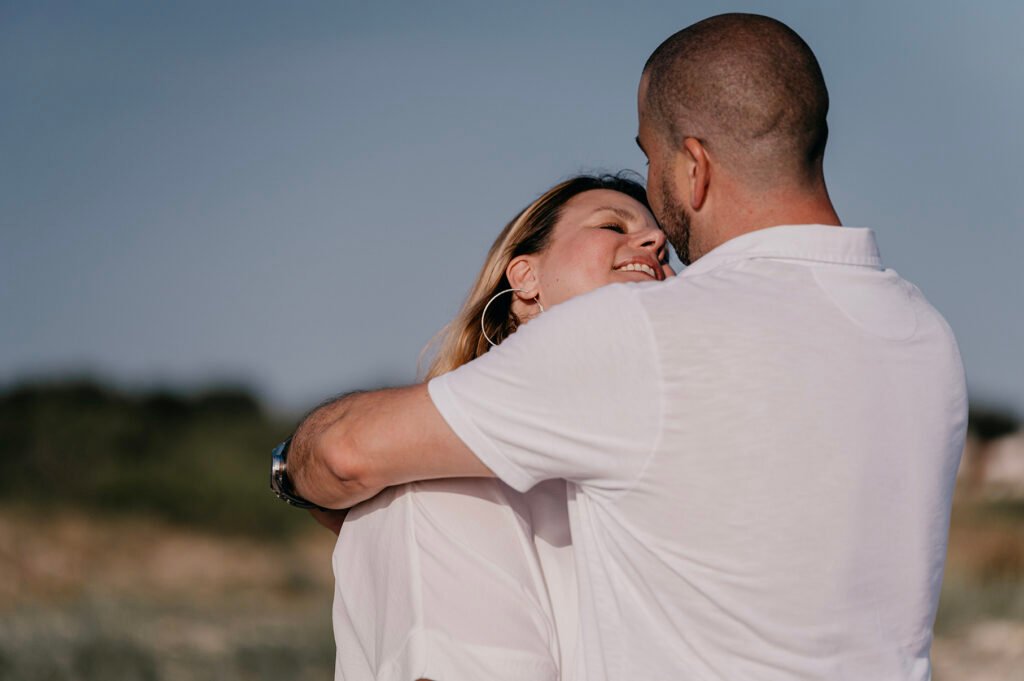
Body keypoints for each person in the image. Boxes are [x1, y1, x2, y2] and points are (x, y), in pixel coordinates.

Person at [281, 13, 967, 681]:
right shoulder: (925, 337)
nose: (650, 240)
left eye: (650, 157)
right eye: (612, 223)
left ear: (693, 167)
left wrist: (290, 468)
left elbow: (342, 452)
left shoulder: (640, 337)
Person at [328, 174, 671, 681]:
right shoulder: (435, 478)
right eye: (611, 225)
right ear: (526, 279)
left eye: (666, 252)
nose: (656, 243)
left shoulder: (671, 461)